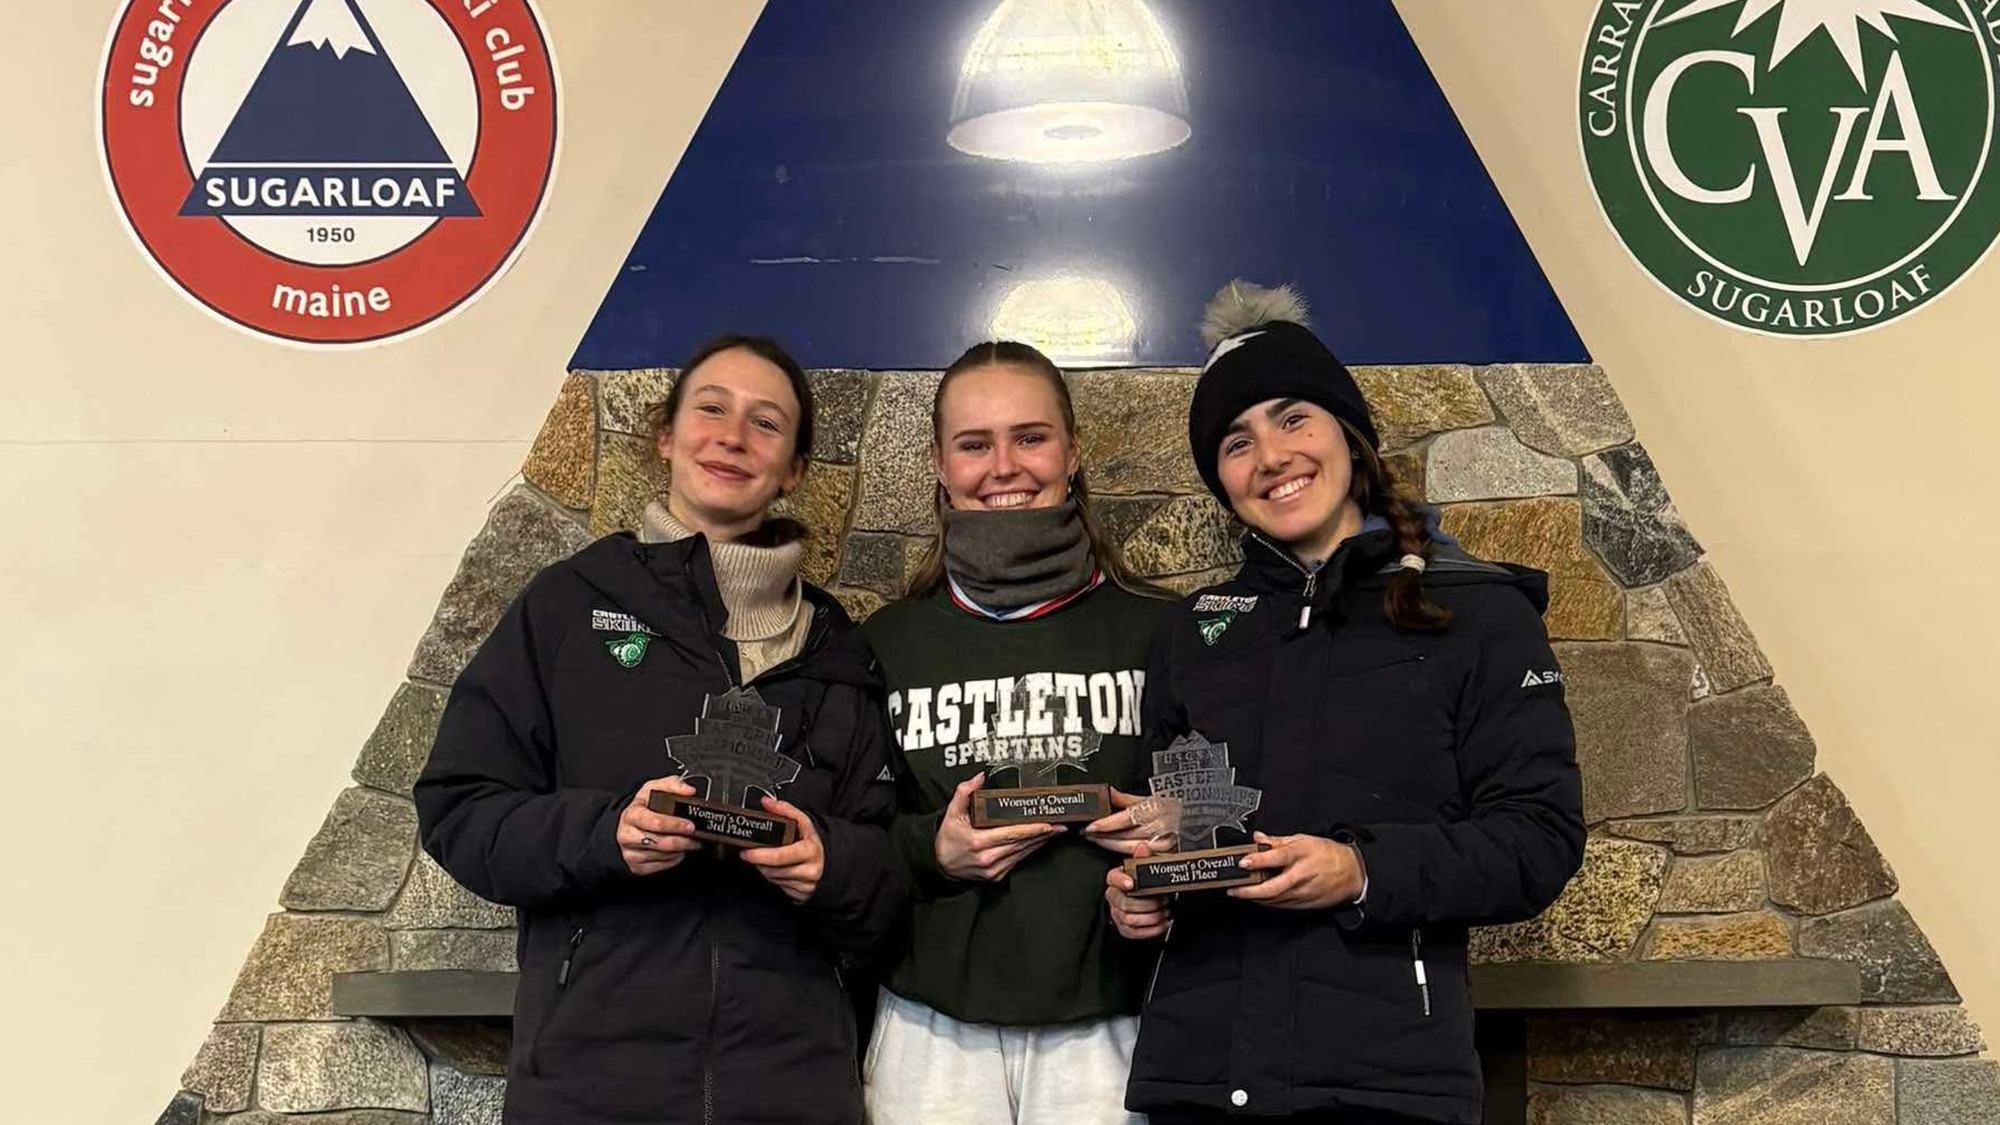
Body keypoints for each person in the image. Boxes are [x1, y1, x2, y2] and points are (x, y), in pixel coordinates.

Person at [1104, 283, 1586, 1125]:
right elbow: (1187, 827)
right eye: (1236, 441)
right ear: (1221, 479)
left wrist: (1360, 869)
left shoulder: (1478, 613)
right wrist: (1141, 892)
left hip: (1387, 1091)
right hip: (1198, 1082)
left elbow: (1538, 840)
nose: (1271, 457)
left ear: (1348, 433)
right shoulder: (1194, 632)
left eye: (1294, 419)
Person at [414, 334, 903, 1125]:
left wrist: (830, 864)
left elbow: (890, 866)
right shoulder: (566, 607)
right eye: (711, 408)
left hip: (793, 1088)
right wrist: (607, 834)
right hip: (593, 1086)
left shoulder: (841, 649)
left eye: (766, 423)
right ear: (665, 435)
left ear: (795, 470)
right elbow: (458, 809)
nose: (733, 436)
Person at [859, 341, 1174, 1125]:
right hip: (932, 1029)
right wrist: (932, 849)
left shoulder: (1164, 633)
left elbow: (1227, 824)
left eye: (1030, 436)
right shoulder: (884, 642)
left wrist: (1175, 842)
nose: (1004, 465)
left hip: (1114, 1022)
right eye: (975, 443)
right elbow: (848, 841)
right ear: (939, 462)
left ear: (1071, 451)